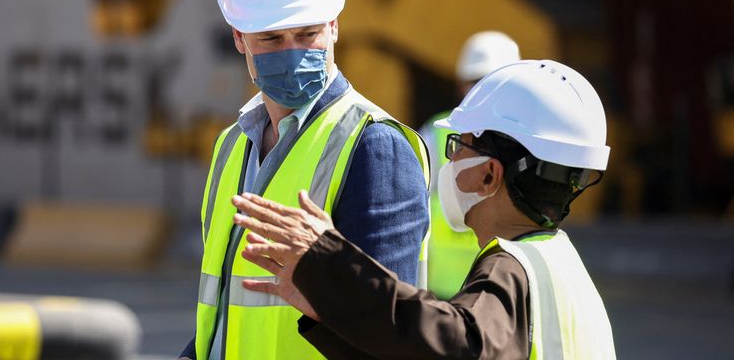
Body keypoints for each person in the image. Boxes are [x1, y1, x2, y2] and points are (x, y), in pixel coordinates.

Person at [232, 59, 617, 359]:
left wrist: (333, 270)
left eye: (458, 146)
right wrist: (331, 314)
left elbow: (452, 344)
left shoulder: (511, 271)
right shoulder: (561, 267)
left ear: (489, 175)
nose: (449, 163)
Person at [178, 0, 430, 359]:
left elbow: (390, 337)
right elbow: (220, 314)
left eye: (308, 33)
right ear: (239, 37)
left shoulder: (374, 147)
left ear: (334, 24)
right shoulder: (232, 145)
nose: (292, 52)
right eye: (272, 39)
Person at [421, 31, 520, 299]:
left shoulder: (526, 140)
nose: (481, 91)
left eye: (491, 82)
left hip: (502, 285)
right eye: (475, 81)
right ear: (460, 84)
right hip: (443, 290)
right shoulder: (436, 132)